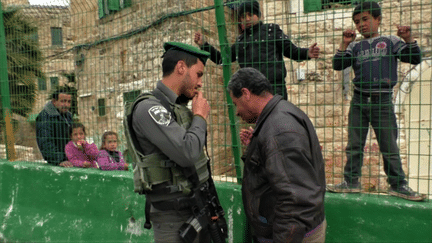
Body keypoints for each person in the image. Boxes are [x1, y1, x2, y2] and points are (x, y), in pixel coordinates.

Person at [125, 42, 227, 243]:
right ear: (181, 68)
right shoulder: (150, 108)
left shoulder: (176, 108)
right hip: (174, 220)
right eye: (198, 74)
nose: (200, 83)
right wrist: (199, 116)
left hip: (197, 207)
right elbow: (187, 152)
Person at [327, 1, 425, 201]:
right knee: (354, 144)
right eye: (356, 22)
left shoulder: (391, 41)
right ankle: (351, 182)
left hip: (382, 101)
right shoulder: (355, 46)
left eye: (365, 19)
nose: (360, 25)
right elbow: (338, 64)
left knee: (389, 146)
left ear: (378, 19)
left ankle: (398, 185)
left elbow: (414, 58)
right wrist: (344, 43)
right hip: (359, 101)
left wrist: (408, 39)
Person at [227, 67, 326, 242]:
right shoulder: (279, 115)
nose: (237, 112)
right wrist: (257, 145)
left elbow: (295, 201)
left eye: (236, 103)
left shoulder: (278, 130)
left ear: (246, 93)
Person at [194, 0, 320, 100]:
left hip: (274, 89)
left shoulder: (272, 31)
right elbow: (222, 59)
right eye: (243, 16)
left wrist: (307, 53)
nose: (247, 19)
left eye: (250, 14)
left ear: (258, 15)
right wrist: (204, 45)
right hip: (252, 92)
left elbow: (291, 51)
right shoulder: (240, 41)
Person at [36, 87, 74, 167]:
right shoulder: (44, 117)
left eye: (69, 102)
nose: (66, 105)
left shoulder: (68, 116)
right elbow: (45, 142)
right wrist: (59, 160)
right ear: (54, 101)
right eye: (63, 101)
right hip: (58, 164)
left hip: (69, 161)